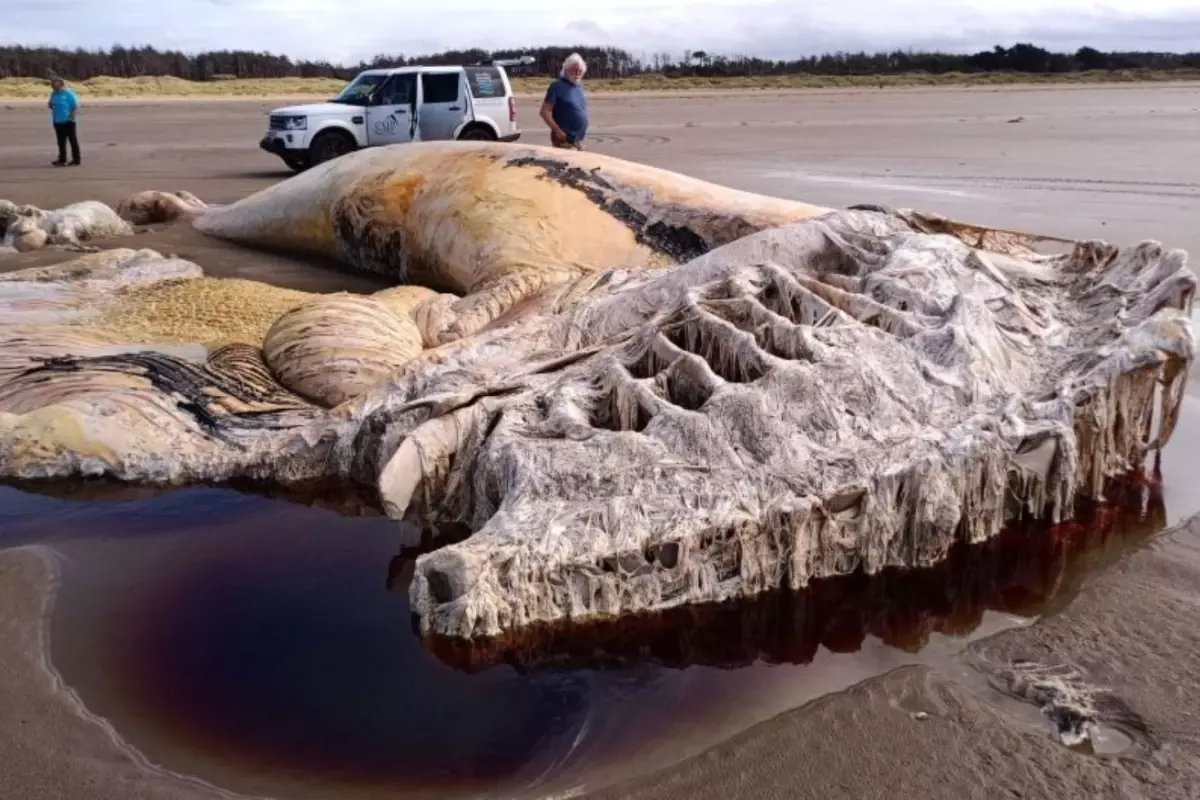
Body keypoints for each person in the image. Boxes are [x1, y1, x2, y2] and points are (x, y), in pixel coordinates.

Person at [540, 53, 588, 150]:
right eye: (575, 70)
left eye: (580, 71)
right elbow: (545, 112)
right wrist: (558, 131)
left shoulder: (578, 87)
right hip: (563, 140)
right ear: (566, 69)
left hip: (577, 140)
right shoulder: (557, 86)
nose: (577, 73)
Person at [47, 78, 81, 167]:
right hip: (57, 120)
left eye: (55, 85)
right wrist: (50, 105)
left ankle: (76, 159)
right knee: (61, 141)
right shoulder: (53, 94)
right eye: (52, 86)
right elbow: (51, 104)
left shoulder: (68, 93)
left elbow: (76, 106)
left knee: (72, 140)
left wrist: (72, 116)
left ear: (61, 85)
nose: (53, 87)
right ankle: (62, 159)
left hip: (68, 121)